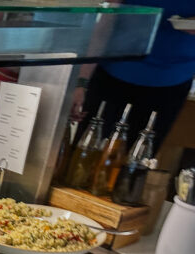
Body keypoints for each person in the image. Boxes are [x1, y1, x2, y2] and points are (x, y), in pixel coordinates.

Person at [73, 1, 195, 147]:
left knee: (137, 159)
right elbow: (103, 25)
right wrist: (81, 82)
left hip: (172, 81)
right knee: (88, 150)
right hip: (113, 75)